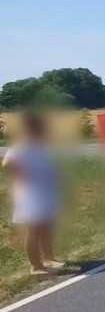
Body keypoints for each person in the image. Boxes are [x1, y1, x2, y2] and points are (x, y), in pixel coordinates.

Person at [1, 111, 63, 276]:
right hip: (30, 194)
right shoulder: (23, 144)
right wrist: (25, 176)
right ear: (33, 127)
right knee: (34, 230)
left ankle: (49, 258)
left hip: (44, 191)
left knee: (47, 226)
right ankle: (35, 266)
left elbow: (45, 165)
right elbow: (7, 163)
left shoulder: (40, 144)